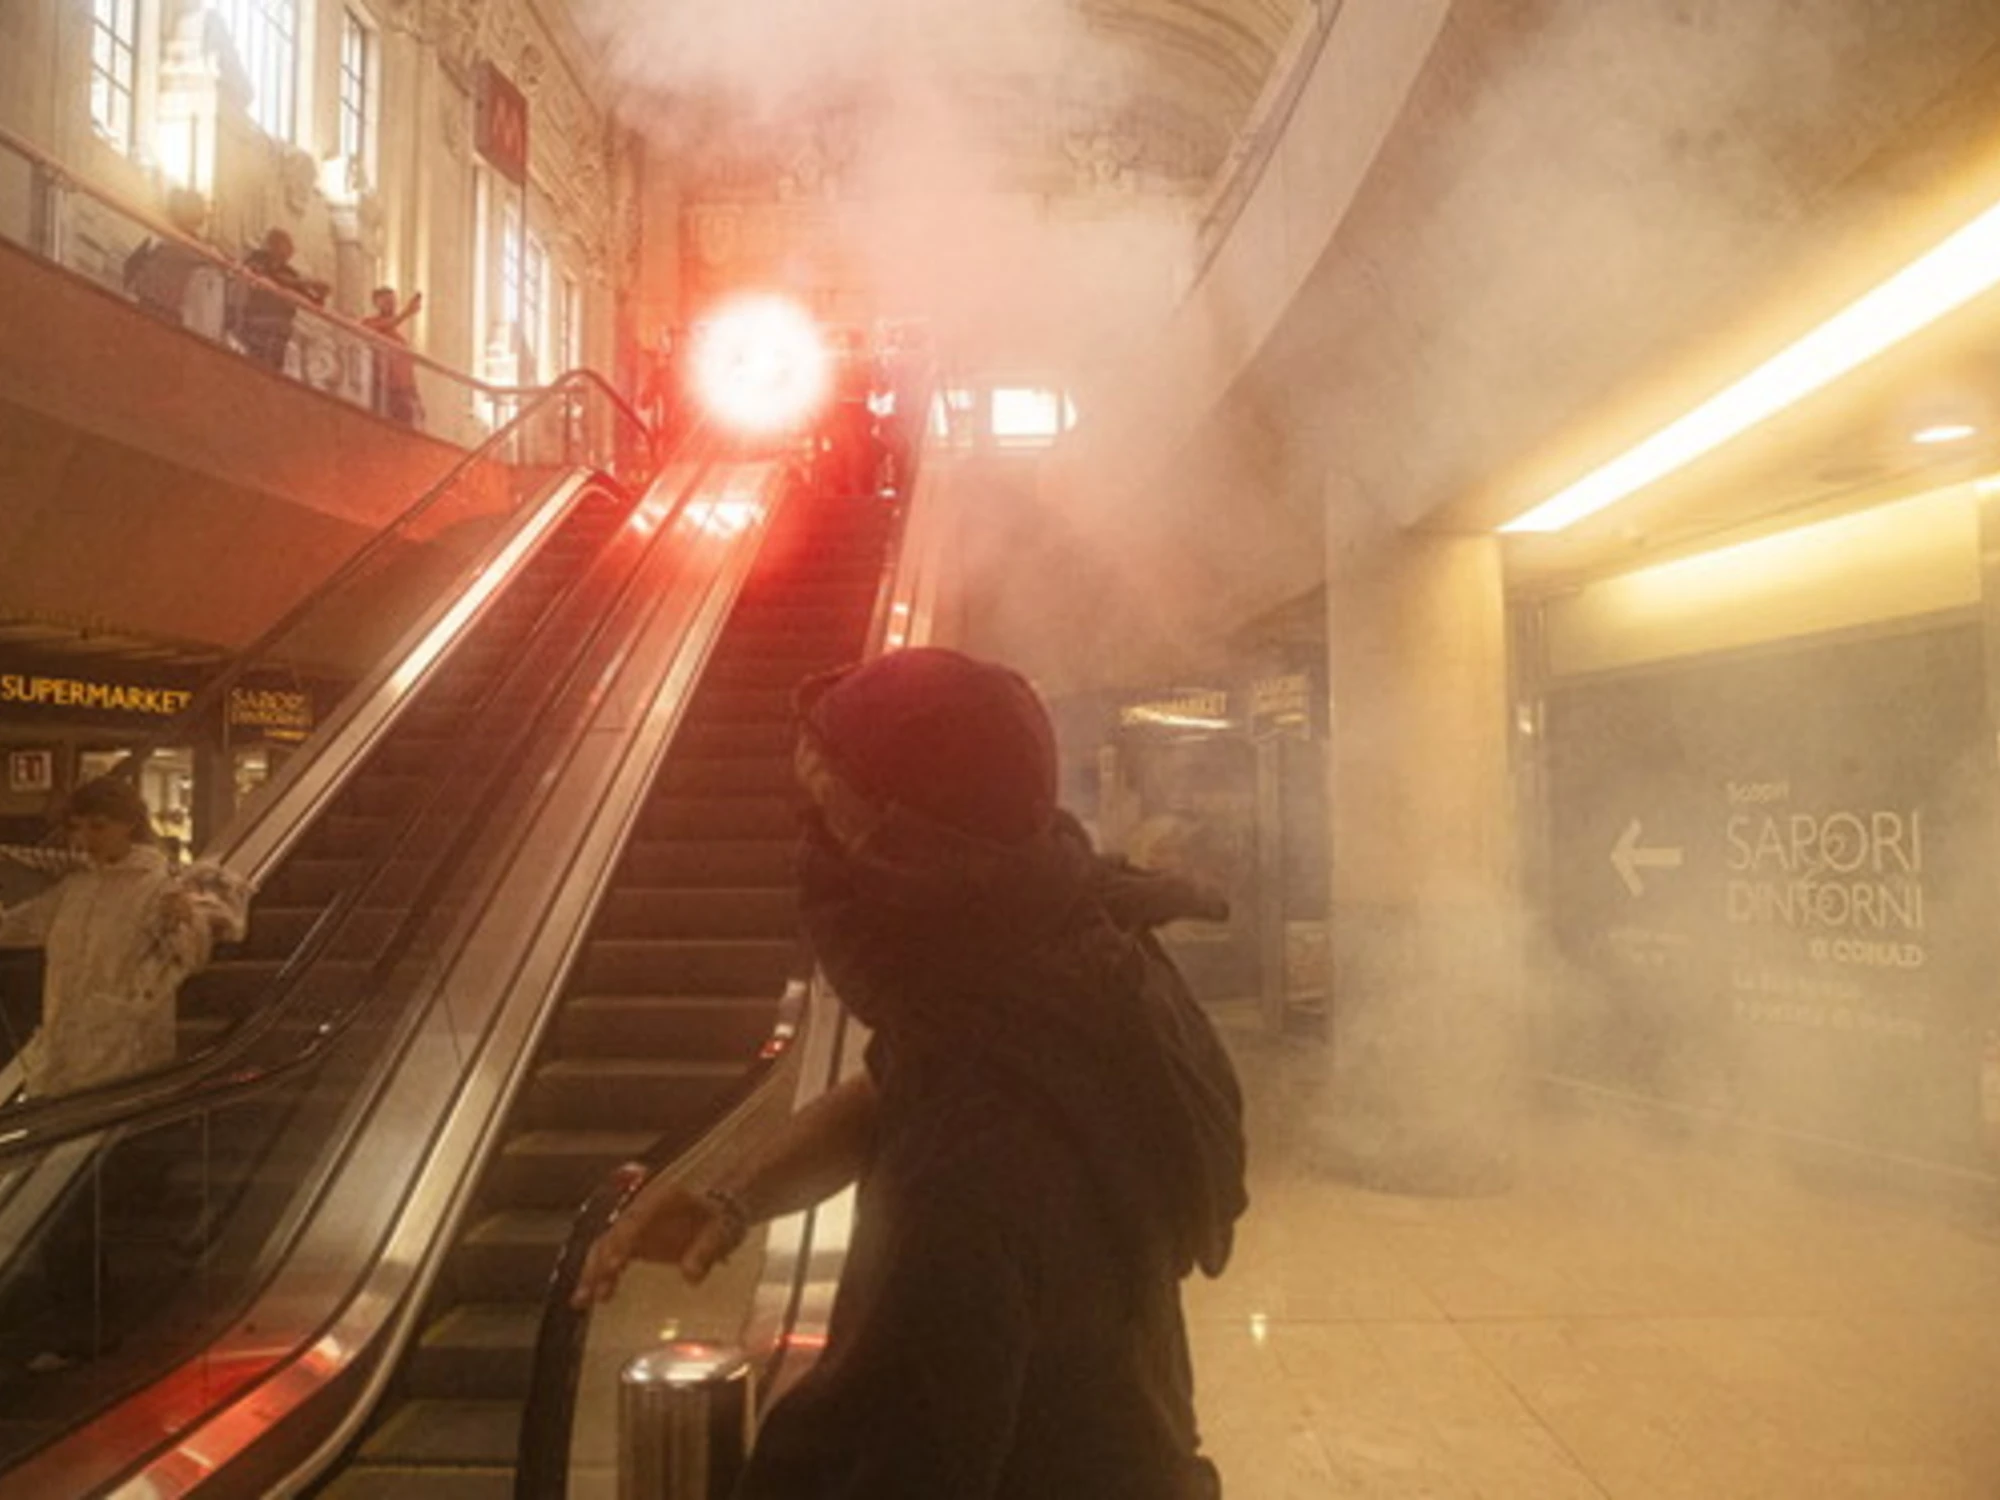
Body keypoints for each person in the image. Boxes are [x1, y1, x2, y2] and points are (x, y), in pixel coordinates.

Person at [576, 647, 1247, 1498]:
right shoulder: (1073, 958)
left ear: (917, 852)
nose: (811, 857)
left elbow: (896, 1463)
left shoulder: (965, 1183)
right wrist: (734, 1198)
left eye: (831, 820)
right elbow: (908, 1080)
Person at [0, 775, 249, 1100]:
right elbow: (15, 928)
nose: (84, 839)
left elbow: (191, 957)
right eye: (77, 827)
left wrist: (186, 921)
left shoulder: (160, 887)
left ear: (130, 824)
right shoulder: (76, 888)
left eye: (98, 827)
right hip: (61, 1049)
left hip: (126, 1054)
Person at [236, 228, 329, 371]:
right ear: (274, 244)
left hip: (280, 328)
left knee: (274, 366)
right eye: (286, 245)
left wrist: (321, 293)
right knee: (253, 363)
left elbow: (312, 300)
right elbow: (270, 276)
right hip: (257, 320)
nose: (291, 250)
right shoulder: (257, 258)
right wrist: (305, 282)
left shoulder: (290, 272)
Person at [123, 189, 214, 327]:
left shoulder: (160, 238)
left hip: (155, 307)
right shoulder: (199, 250)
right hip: (160, 308)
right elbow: (130, 267)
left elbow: (129, 268)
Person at [363, 286, 425, 427]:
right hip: (380, 389)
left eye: (393, 301)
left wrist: (416, 397)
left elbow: (408, 371)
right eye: (386, 301)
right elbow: (382, 327)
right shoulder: (369, 324)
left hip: (402, 394)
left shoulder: (401, 341)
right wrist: (407, 313)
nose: (391, 305)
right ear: (376, 303)